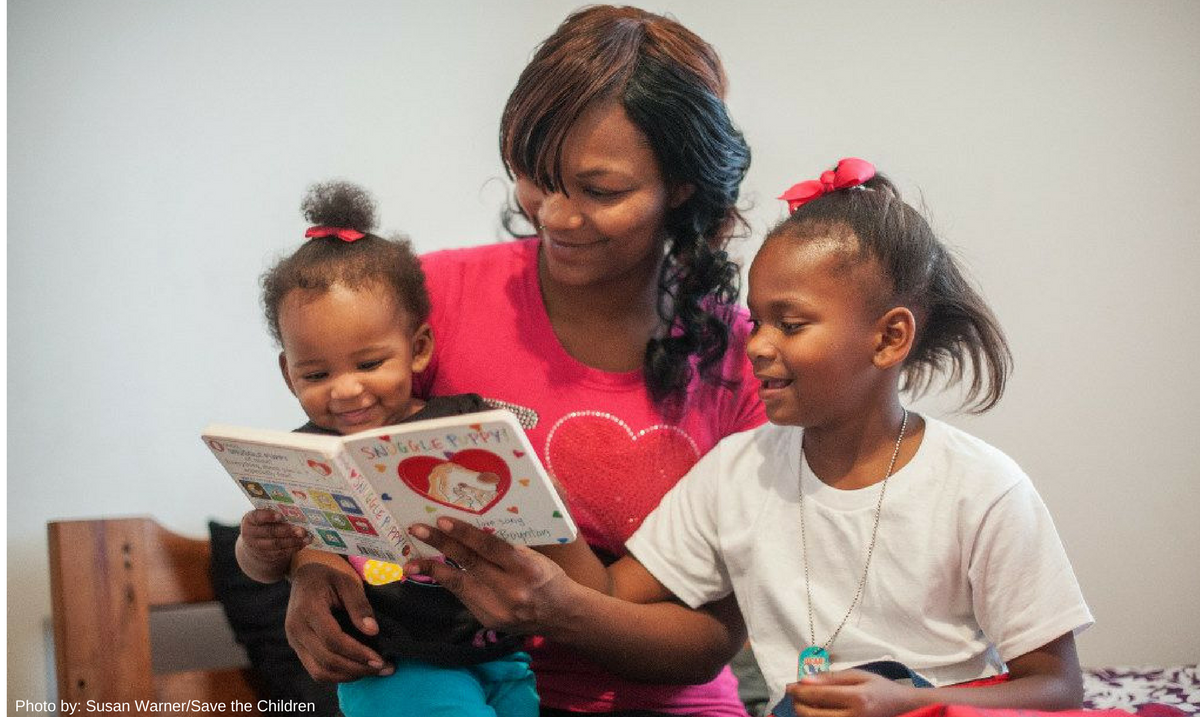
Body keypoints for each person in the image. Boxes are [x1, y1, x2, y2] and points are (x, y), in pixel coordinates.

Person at [402, 159, 1094, 717]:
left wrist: (910, 702)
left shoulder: (981, 486)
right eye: (756, 320)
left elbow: (1057, 686)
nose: (756, 346)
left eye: (790, 324)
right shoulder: (737, 472)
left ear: (889, 337)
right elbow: (615, 591)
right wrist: (528, 493)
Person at [283, 6, 766, 717]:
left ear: (683, 186)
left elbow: (711, 638)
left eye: (600, 190)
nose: (556, 215)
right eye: (536, 177)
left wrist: (562, 609)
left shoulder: (742, 365)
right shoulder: (432, 300)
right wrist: (312, 568)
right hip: (457, 684)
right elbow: (331, 461)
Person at [235, 180, 539, 717]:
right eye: (317, 373)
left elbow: (519, 498)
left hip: (499, 653)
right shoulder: (301, 456)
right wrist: (259, 547)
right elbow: (266, 565)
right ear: (289, 374)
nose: (347, 389)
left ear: (418, 349)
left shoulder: (463, 420)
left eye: (370, 364)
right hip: (392, 665)